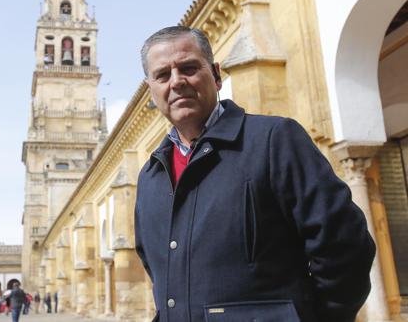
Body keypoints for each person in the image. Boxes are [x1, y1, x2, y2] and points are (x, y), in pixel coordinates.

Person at [134, 26, 376, 322]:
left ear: (216, 75)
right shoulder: (150, 176)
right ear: (152, 90)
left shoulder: (274, 140)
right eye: (163, 75)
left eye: (189, 68)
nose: (177, 82)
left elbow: (345, 245)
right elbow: (158, 269)